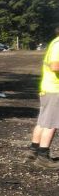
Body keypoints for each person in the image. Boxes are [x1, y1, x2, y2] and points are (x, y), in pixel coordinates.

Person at [27, 27, 59, 169]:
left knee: (42, 121)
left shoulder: (55, 42)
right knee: (51, 124)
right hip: (54, 89)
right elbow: (55, 66)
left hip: (48, 88)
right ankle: (43, 156)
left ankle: (33, 150)